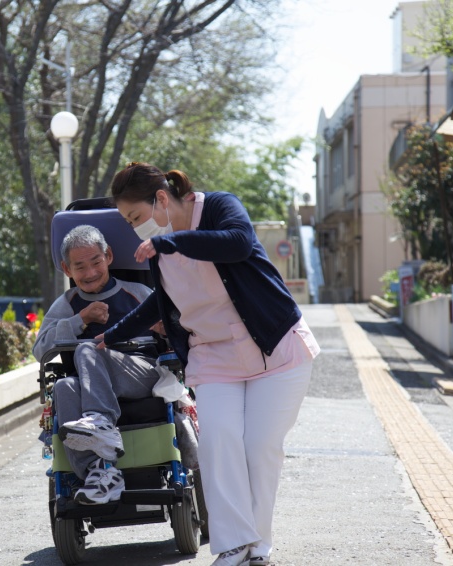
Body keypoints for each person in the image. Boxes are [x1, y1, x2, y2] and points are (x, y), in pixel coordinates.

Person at [99, 162, 320, 566]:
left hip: (275, 346)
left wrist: (173, 243)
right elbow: (160, 303)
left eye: (136, 217)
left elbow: (236, 243)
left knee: (260, 446)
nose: (135, 230)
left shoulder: (218, 208)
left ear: (161, 199)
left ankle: (259, 546)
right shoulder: (160, 244)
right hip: (214, 355)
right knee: (219, 442)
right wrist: (109, 336)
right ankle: (234, 545)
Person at [32, 224, 161, 505]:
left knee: (91, 348)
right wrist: (80, 320)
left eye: (96, 262)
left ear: (109, 256)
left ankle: (100, 422)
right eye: (80, 267)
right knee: (65, 386)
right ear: (67, 269)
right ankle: (99, 473)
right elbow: (39, 349)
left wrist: (165, 328)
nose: (90, 273)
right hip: (92, 384)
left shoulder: (137, 292)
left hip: (141, 375)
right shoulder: (67, 304)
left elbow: (177, 327)